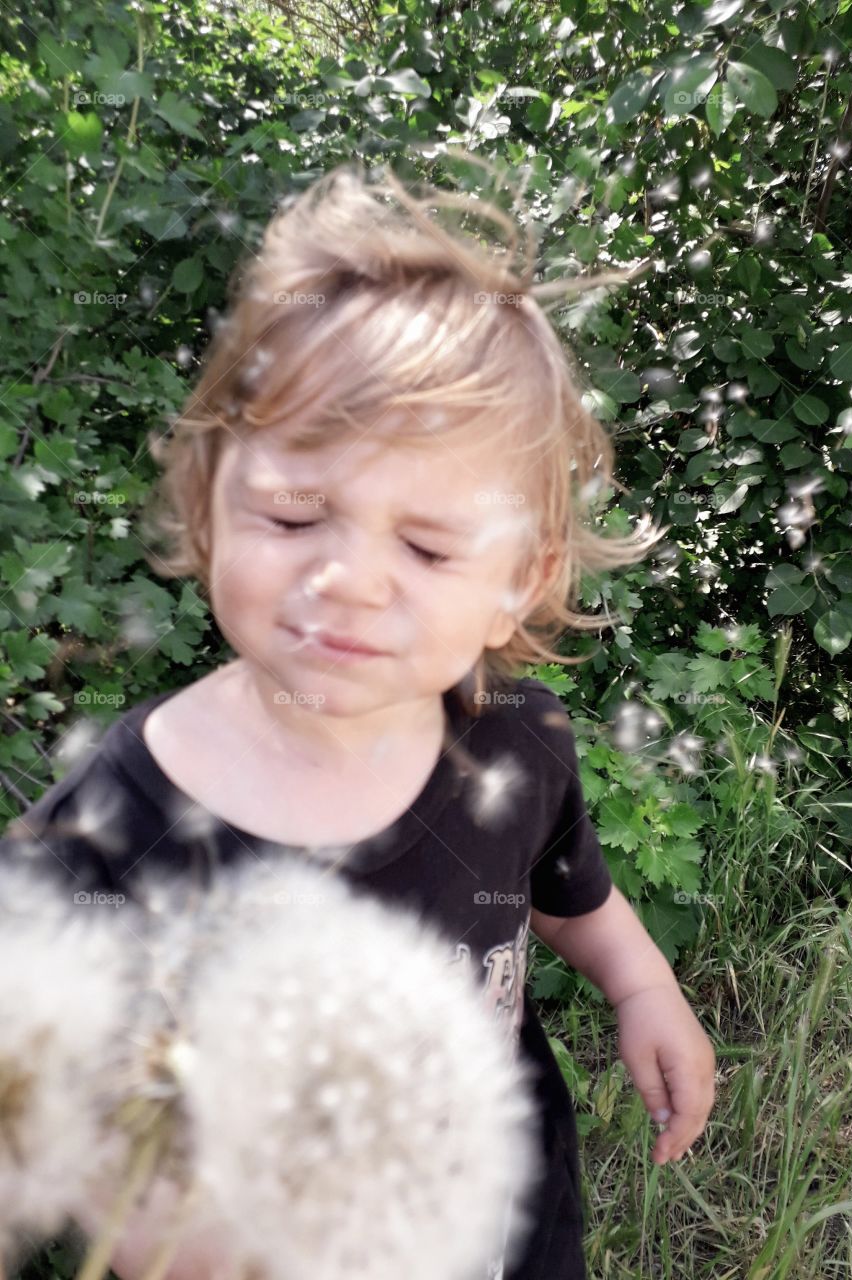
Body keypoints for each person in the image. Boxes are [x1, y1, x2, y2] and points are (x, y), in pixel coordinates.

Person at [2, 154, 716, 1280]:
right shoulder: (110, 821)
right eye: (293, 516)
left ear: (517, 580)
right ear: (210, 505)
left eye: (428, 546)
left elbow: (571, 894)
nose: (348, 578)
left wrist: (641, 987)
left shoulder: (517, 744)